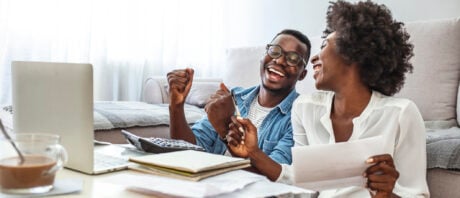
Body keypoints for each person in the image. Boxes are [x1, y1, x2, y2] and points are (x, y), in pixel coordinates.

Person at [226, 0, 429, 197]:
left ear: (353, 52)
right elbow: (300, 181)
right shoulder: (305, 108)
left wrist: (386, 195)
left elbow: (416, 195)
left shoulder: (401, 114)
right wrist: (253, 153)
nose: (314, 58)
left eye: (324, 45)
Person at [166, 29, 311, 169]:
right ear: (263, 56)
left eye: (293, 58)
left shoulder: (300, 115)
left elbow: (276, 175)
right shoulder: (235, 97)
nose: (279, 60)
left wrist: (225, 130)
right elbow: (188, 150)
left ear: (302, 74)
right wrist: (176, 106)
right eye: (274, 51)